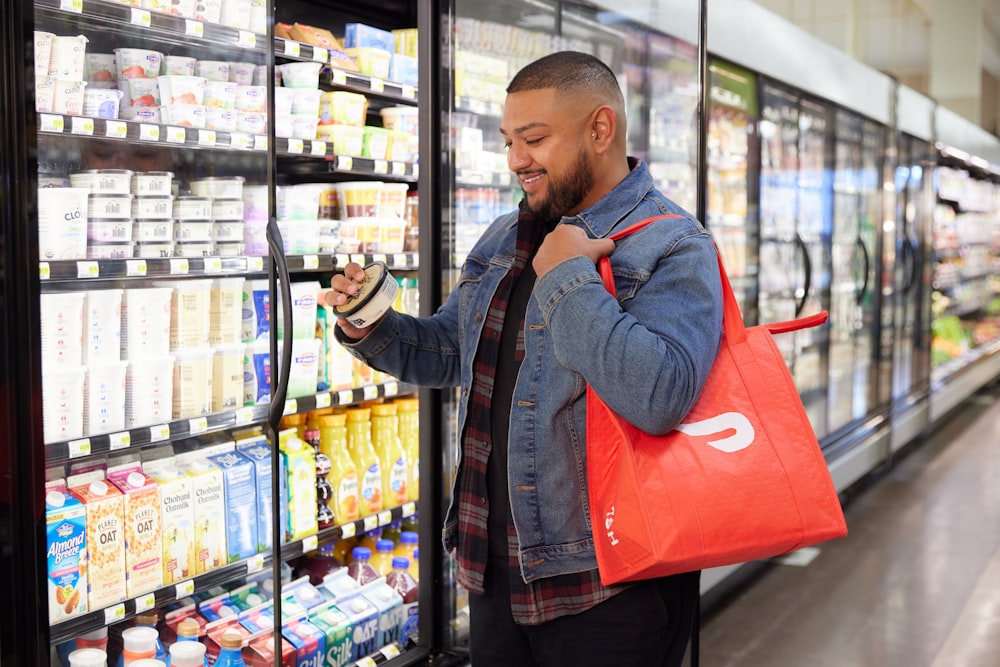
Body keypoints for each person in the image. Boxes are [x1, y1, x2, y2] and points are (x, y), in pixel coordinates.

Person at [323, 50, 724, 666]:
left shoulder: (672, 243)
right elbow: (453, 353)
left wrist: (567, 275)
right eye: (510, 140)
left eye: (533, 139)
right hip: (493, 567)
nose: (516, 160)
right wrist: (372, 325)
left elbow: (661, 395)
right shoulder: (505, 236)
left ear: (600, 128)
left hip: (611, 582)